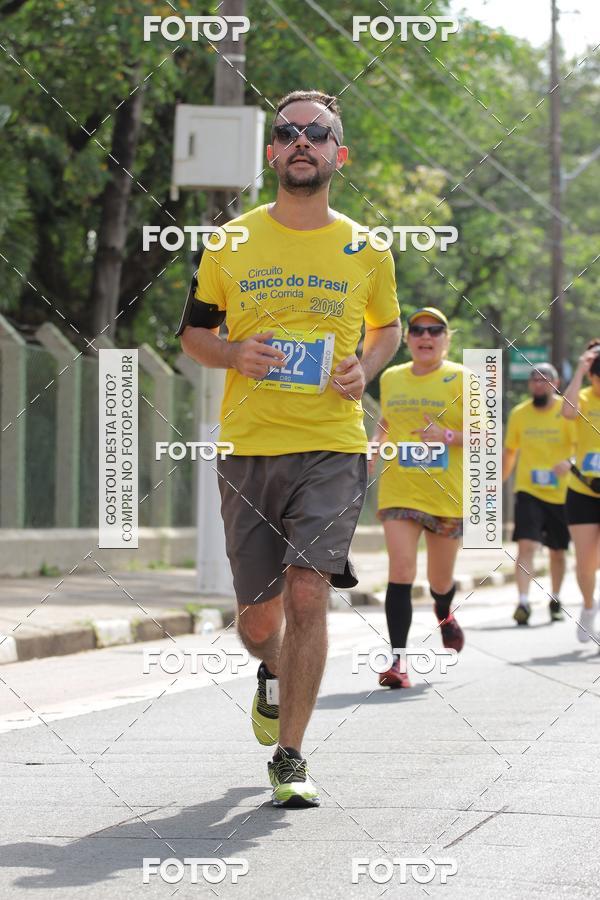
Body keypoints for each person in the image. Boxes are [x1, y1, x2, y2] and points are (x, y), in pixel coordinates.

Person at [178, 90, 401, 806]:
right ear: (272, 151)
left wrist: (363, 369)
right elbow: (193, 335)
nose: (302, 141)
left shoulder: (367, 246)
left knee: (310, 589)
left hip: (333, 445)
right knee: (258, 617)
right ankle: (269, 669)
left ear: (341, 153)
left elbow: (388, 329)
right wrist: (233, 352)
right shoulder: (231, 240)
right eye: (288, 133)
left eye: (318, 132)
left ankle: (291, 757)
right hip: (249, 447)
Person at [369, 307, 464, 689]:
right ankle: (398, 661)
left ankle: (444, 610)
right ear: (407, 339)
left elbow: (490, 438)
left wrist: (449, 436)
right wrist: (375, 446)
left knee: (439, 580)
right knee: (401, 570)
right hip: (399, 487)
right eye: (418, 330)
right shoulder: (391, 378)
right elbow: (387, 421)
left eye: (435, 330)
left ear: (447, 338)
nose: (426, 336)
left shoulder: (464, 378)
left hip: (446, 493)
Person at [502, 363, 574, 625]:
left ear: (556, 384)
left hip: (561, 493)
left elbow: (582, 446)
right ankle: (522, 602)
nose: (538, 384)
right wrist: (499, 479)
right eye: (534, 380)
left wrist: (571, 462)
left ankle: (555, 598)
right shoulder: (520, 414)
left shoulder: (566, 412)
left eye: (545, 380)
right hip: (528, 490)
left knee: (557, 551)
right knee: (527, 545)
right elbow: (510, 451)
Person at [562, 339, 600, 642]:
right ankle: (589, 606)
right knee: (585, 563)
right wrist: (579, 368)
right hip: (583, 490)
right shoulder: (584, 397)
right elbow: (567, 411)